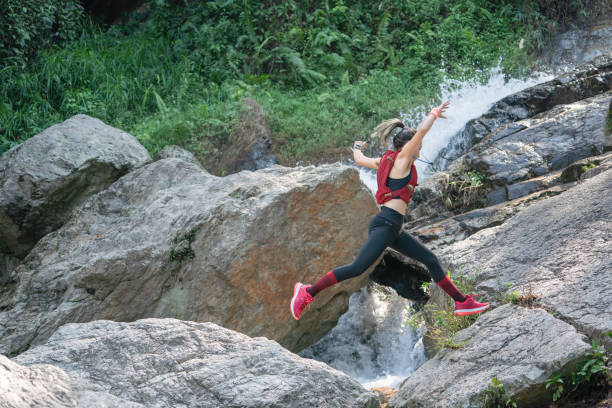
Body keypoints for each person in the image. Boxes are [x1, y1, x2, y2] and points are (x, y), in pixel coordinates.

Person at [290, 101, 490, 320]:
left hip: (394, 227)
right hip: (386, 223)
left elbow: (359, 159)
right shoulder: (402, 161)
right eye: (416, 146)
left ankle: (461, 302)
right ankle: (307, 292)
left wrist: (357, 147)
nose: (419, 150)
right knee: (357, 268)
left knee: (431, 260)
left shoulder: (385, 161)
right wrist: (433, 113)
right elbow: (422, 132)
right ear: (406, 147)